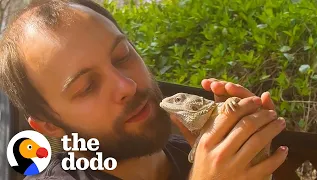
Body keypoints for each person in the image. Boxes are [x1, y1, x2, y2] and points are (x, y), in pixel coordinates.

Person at [0, 0, 288, 179]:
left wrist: (251, 154)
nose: (127, 85)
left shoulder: (190, 151)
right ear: (50, 125)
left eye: (123, 56)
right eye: (87, 87)